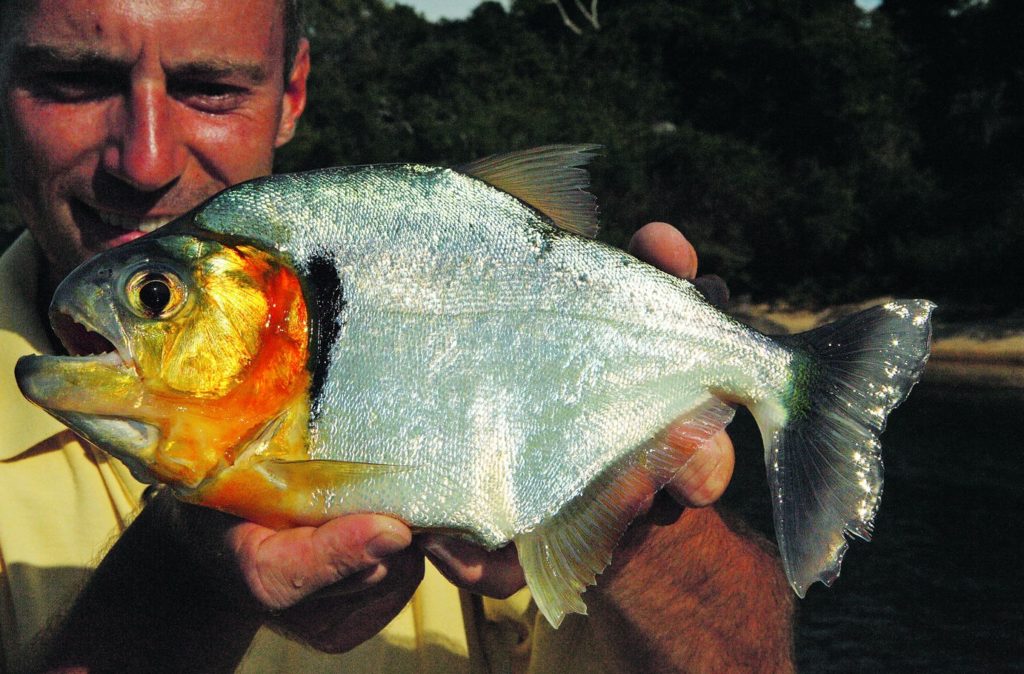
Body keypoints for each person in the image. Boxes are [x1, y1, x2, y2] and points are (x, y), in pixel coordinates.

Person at [0, 0, 795, 671]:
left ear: (293, 91)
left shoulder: (393, 262)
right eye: (75, 80)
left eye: (210, 88)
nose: (144, 161)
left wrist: (624, 510)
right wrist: (184, 591)